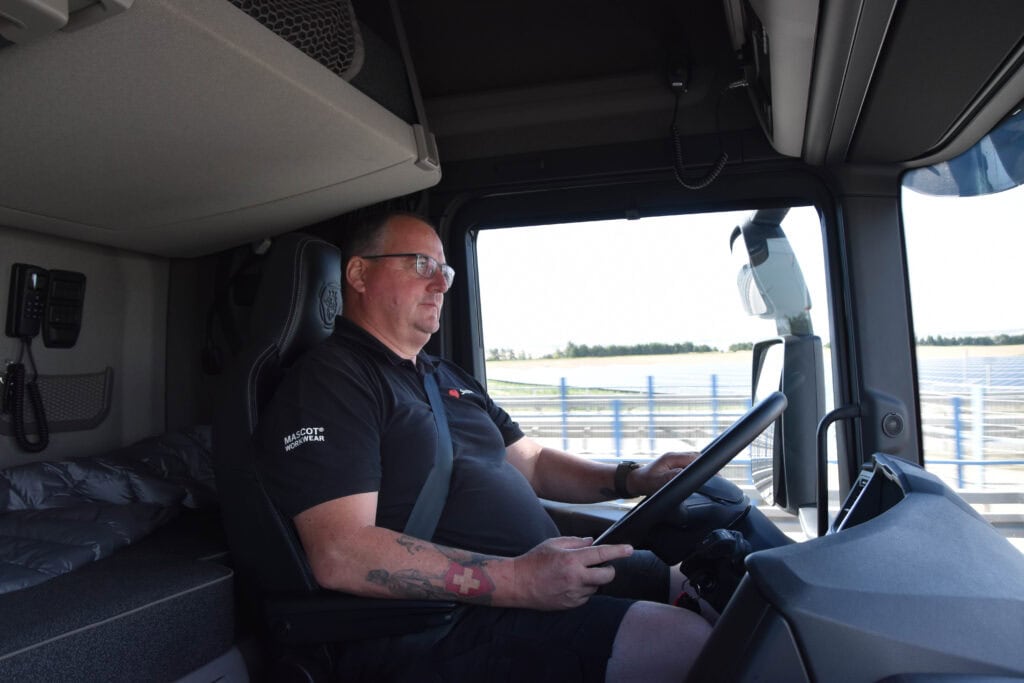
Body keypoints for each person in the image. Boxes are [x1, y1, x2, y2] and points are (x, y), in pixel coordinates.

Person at [257, 211, 713, 681]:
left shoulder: (444, 376)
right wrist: (519, 579)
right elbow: (341, 551)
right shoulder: (331, 381)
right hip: (435, 625)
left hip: (530, 581)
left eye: (445, 270)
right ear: (358, 274)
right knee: (686, 643)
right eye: (420, 265)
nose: (441, 284)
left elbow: (533, 463)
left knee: (704, 577)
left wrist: (632, 478)